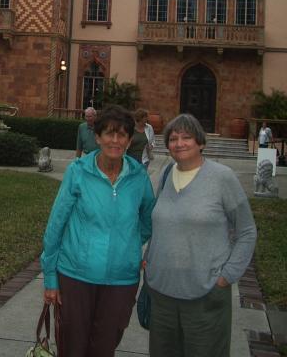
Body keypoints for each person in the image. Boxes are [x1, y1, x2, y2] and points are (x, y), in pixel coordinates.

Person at [41, 105, 155, 357]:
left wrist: (128, 243)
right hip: (76, 276)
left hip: (121, 279)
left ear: (129, 139)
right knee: (72, 346)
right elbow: (56, 224)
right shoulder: (79, 171)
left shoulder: (138, 176)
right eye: (109, 134)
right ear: (97, 137)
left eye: (122, 134)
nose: (115, 140)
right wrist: (50, 276)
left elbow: (149, 219)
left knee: (104, 348)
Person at [145, 113, 257, 357]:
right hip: (162, 293)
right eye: (173, 138)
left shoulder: (222, 177)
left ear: (201, 143)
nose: (179, 143)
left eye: (187, 137)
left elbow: (247, 231)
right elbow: (161, 224)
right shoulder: (165, 175)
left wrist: (226, 277)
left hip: (205, 295)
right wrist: (149, 261)